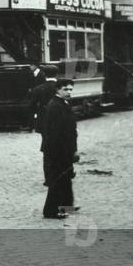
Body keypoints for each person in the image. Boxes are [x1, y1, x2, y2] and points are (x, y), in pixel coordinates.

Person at [41, 79, 78, 219]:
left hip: (65, 150)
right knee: (58, 180)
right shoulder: (55, 106)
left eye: (70, 90)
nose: (68, 92)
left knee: (66, 179)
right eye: (65, 89)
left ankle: (66, 206)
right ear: (58, 90)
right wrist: (63, 152)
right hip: (58, 151)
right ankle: (50, 211)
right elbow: (55, 133)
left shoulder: (62, 104)